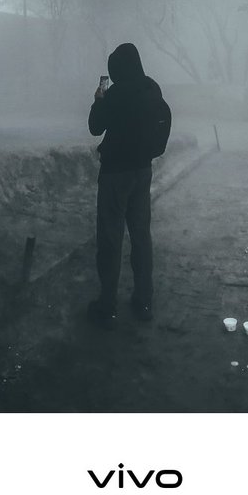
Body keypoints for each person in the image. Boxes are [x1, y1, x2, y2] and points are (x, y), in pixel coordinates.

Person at [87, 43, 171, 329]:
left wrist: (99, 99)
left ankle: (107, 303)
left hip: (115, 174)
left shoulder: (115, 93)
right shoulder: (151, 88)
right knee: (141, 235)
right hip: (142, 170)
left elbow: (95, 127)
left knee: (110, 238)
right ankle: (144, 299)